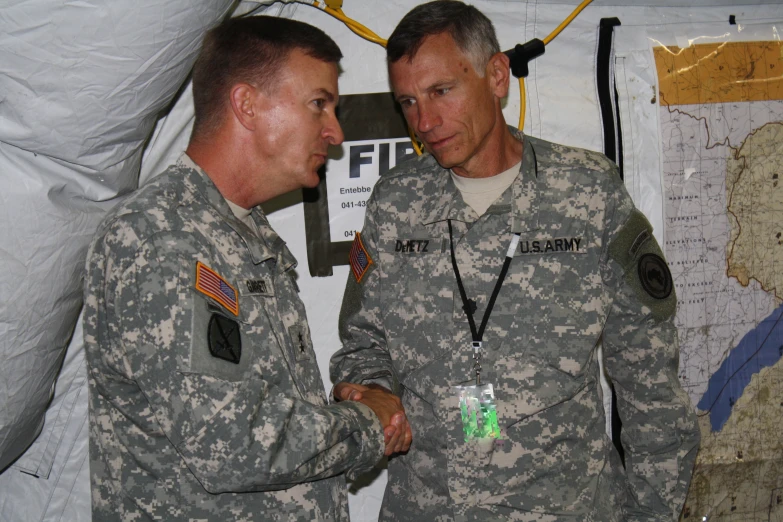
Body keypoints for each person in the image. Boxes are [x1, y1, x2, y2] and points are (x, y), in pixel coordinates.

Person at [330, 1, 700, 520]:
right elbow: (362, 342)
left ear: (497, 76)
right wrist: (371, 392)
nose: (425, 121)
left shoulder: (586, 192)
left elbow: (650, 381)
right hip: (433, 507)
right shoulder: (395, 205)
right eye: (408, 101)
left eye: (442, 91)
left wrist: (654, 512)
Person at [83, 15, 410, 522]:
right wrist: (368, 422)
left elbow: (257, 402)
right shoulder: (163, 237)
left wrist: (348, 404)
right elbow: (231, 440)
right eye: (318, 103)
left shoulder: (243, 231)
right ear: (247, 104)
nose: (336, 131)